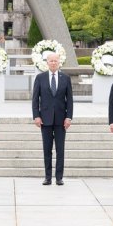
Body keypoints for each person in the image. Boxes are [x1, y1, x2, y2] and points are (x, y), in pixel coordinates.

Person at [32, 52, 73, 185]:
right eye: (51, 61)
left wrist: (69, 117)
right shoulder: (40, 78)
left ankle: (59, 177)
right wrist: (36, 116)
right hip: (45, 119)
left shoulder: (65, 78)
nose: (53, 63)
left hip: (61, 120)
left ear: (59, 62)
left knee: (60, 150)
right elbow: (35, 99)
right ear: (47, 62)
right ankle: (48, 177)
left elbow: (70, 100)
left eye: (56, 61)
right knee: (47, 150)